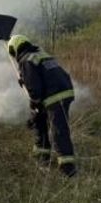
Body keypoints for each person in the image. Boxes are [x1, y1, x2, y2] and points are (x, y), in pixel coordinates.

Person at [7, 34, 77, 177]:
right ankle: (42, 156)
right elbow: (44, 76)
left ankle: (68, 168)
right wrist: (25, 80)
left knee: (58, 130)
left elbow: (35, 88)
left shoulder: (26, 60)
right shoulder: (41, 54)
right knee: (40, 122)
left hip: (54, 97)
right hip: (64, 92)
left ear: (15, 50)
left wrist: (34, 102)